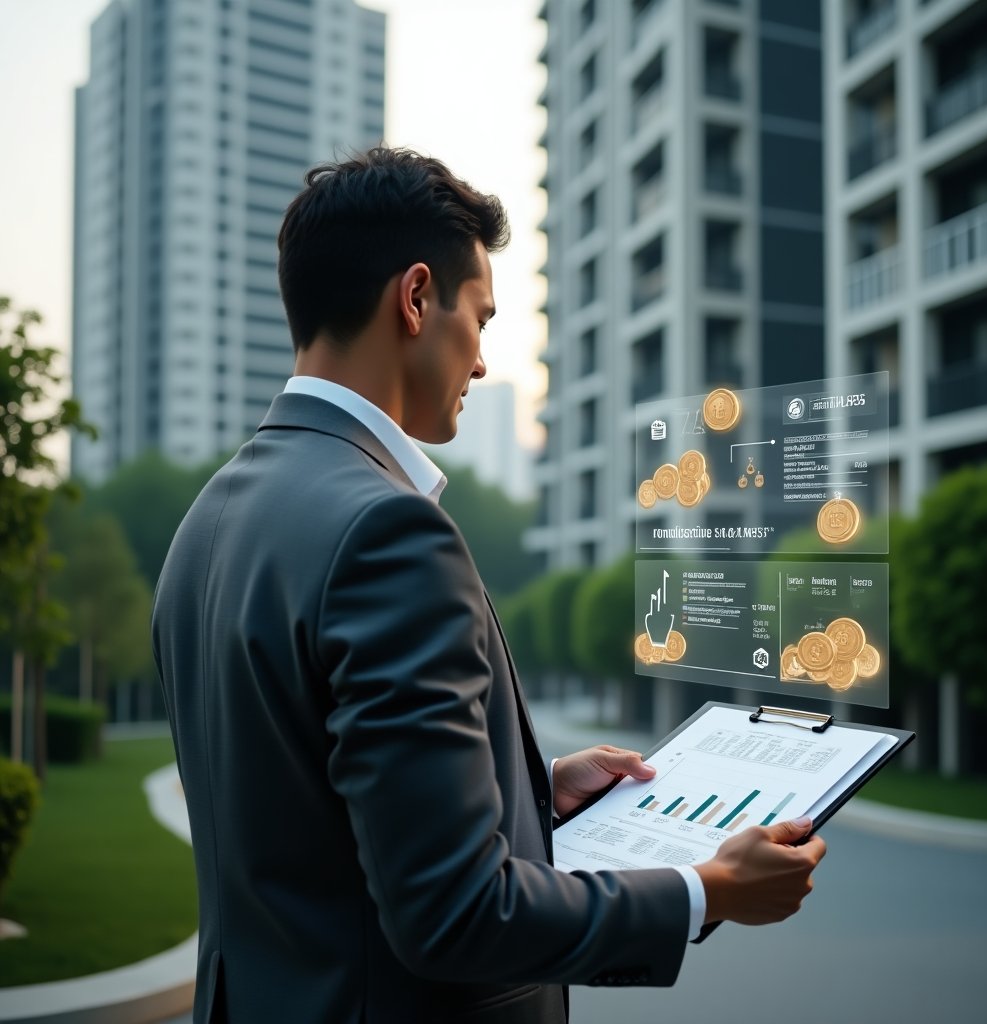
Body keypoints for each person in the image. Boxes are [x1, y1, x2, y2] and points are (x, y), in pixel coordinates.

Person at [152, 147, 825, 1024]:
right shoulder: (386, 532)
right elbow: (457, 913)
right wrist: (708, 889)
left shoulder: (205, 523)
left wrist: (532, 790)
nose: (480, 364)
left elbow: (305, 812)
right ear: (416, 298)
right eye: (480, 317)